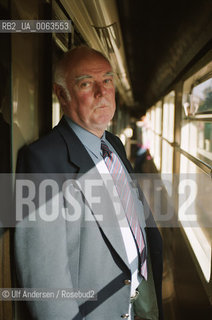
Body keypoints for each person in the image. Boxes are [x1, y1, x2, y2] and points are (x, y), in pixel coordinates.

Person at [15, 46, 163, 320]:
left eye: (107, 81)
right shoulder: (42, 160)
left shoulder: (114, 144)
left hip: (139, 300)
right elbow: (46, 282)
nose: (101, 92)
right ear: (62, 95)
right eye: (86, 83)